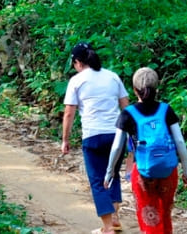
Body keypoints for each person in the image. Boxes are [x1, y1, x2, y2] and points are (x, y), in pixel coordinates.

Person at [104, 67, 187, 234]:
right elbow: (179, 141)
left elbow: (117, 146)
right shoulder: (166, 110)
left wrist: (110, 172)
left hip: (143, 173)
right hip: (168, 170)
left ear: (134, 90)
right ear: (157, 88)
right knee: (165, 213)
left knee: (149, 214)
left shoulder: (128, 113)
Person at [60, 42, 130, 234]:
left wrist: (65, 140)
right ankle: (114, 218)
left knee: (98, 181)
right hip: (116, 135)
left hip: (93, 137)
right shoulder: (113, 77)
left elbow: (69, 113)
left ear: (77, 62)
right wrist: (131, 134)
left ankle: (107, 228)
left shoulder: (76, 81)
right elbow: (126, 106)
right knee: (113, 175)